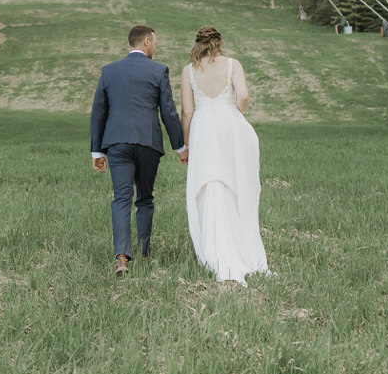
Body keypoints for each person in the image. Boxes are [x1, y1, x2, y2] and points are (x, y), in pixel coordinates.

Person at [90, 24, 187, 277]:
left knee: (121, 198)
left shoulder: (109, 71)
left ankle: (121, 256)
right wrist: (180, 147)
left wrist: (97, 152)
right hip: (148, 144)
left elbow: (99, 112)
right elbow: (168, 111)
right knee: (144, 198)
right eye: (154, 42)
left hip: (117, 144)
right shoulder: (158, 71)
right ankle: (144, 253)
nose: (155, 47)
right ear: (145, 42)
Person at [180, 25, 268, 283]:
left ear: (197, 43)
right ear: (218, 43)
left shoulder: (188, 71)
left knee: (209, 183)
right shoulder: (233, 64)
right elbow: (243, 95)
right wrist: (233, 114)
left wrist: (186, 145)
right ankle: (238, 243)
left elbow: (187, 112)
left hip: (203, 129)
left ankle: (213, 248)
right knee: (234, 182)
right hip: (230, 127)